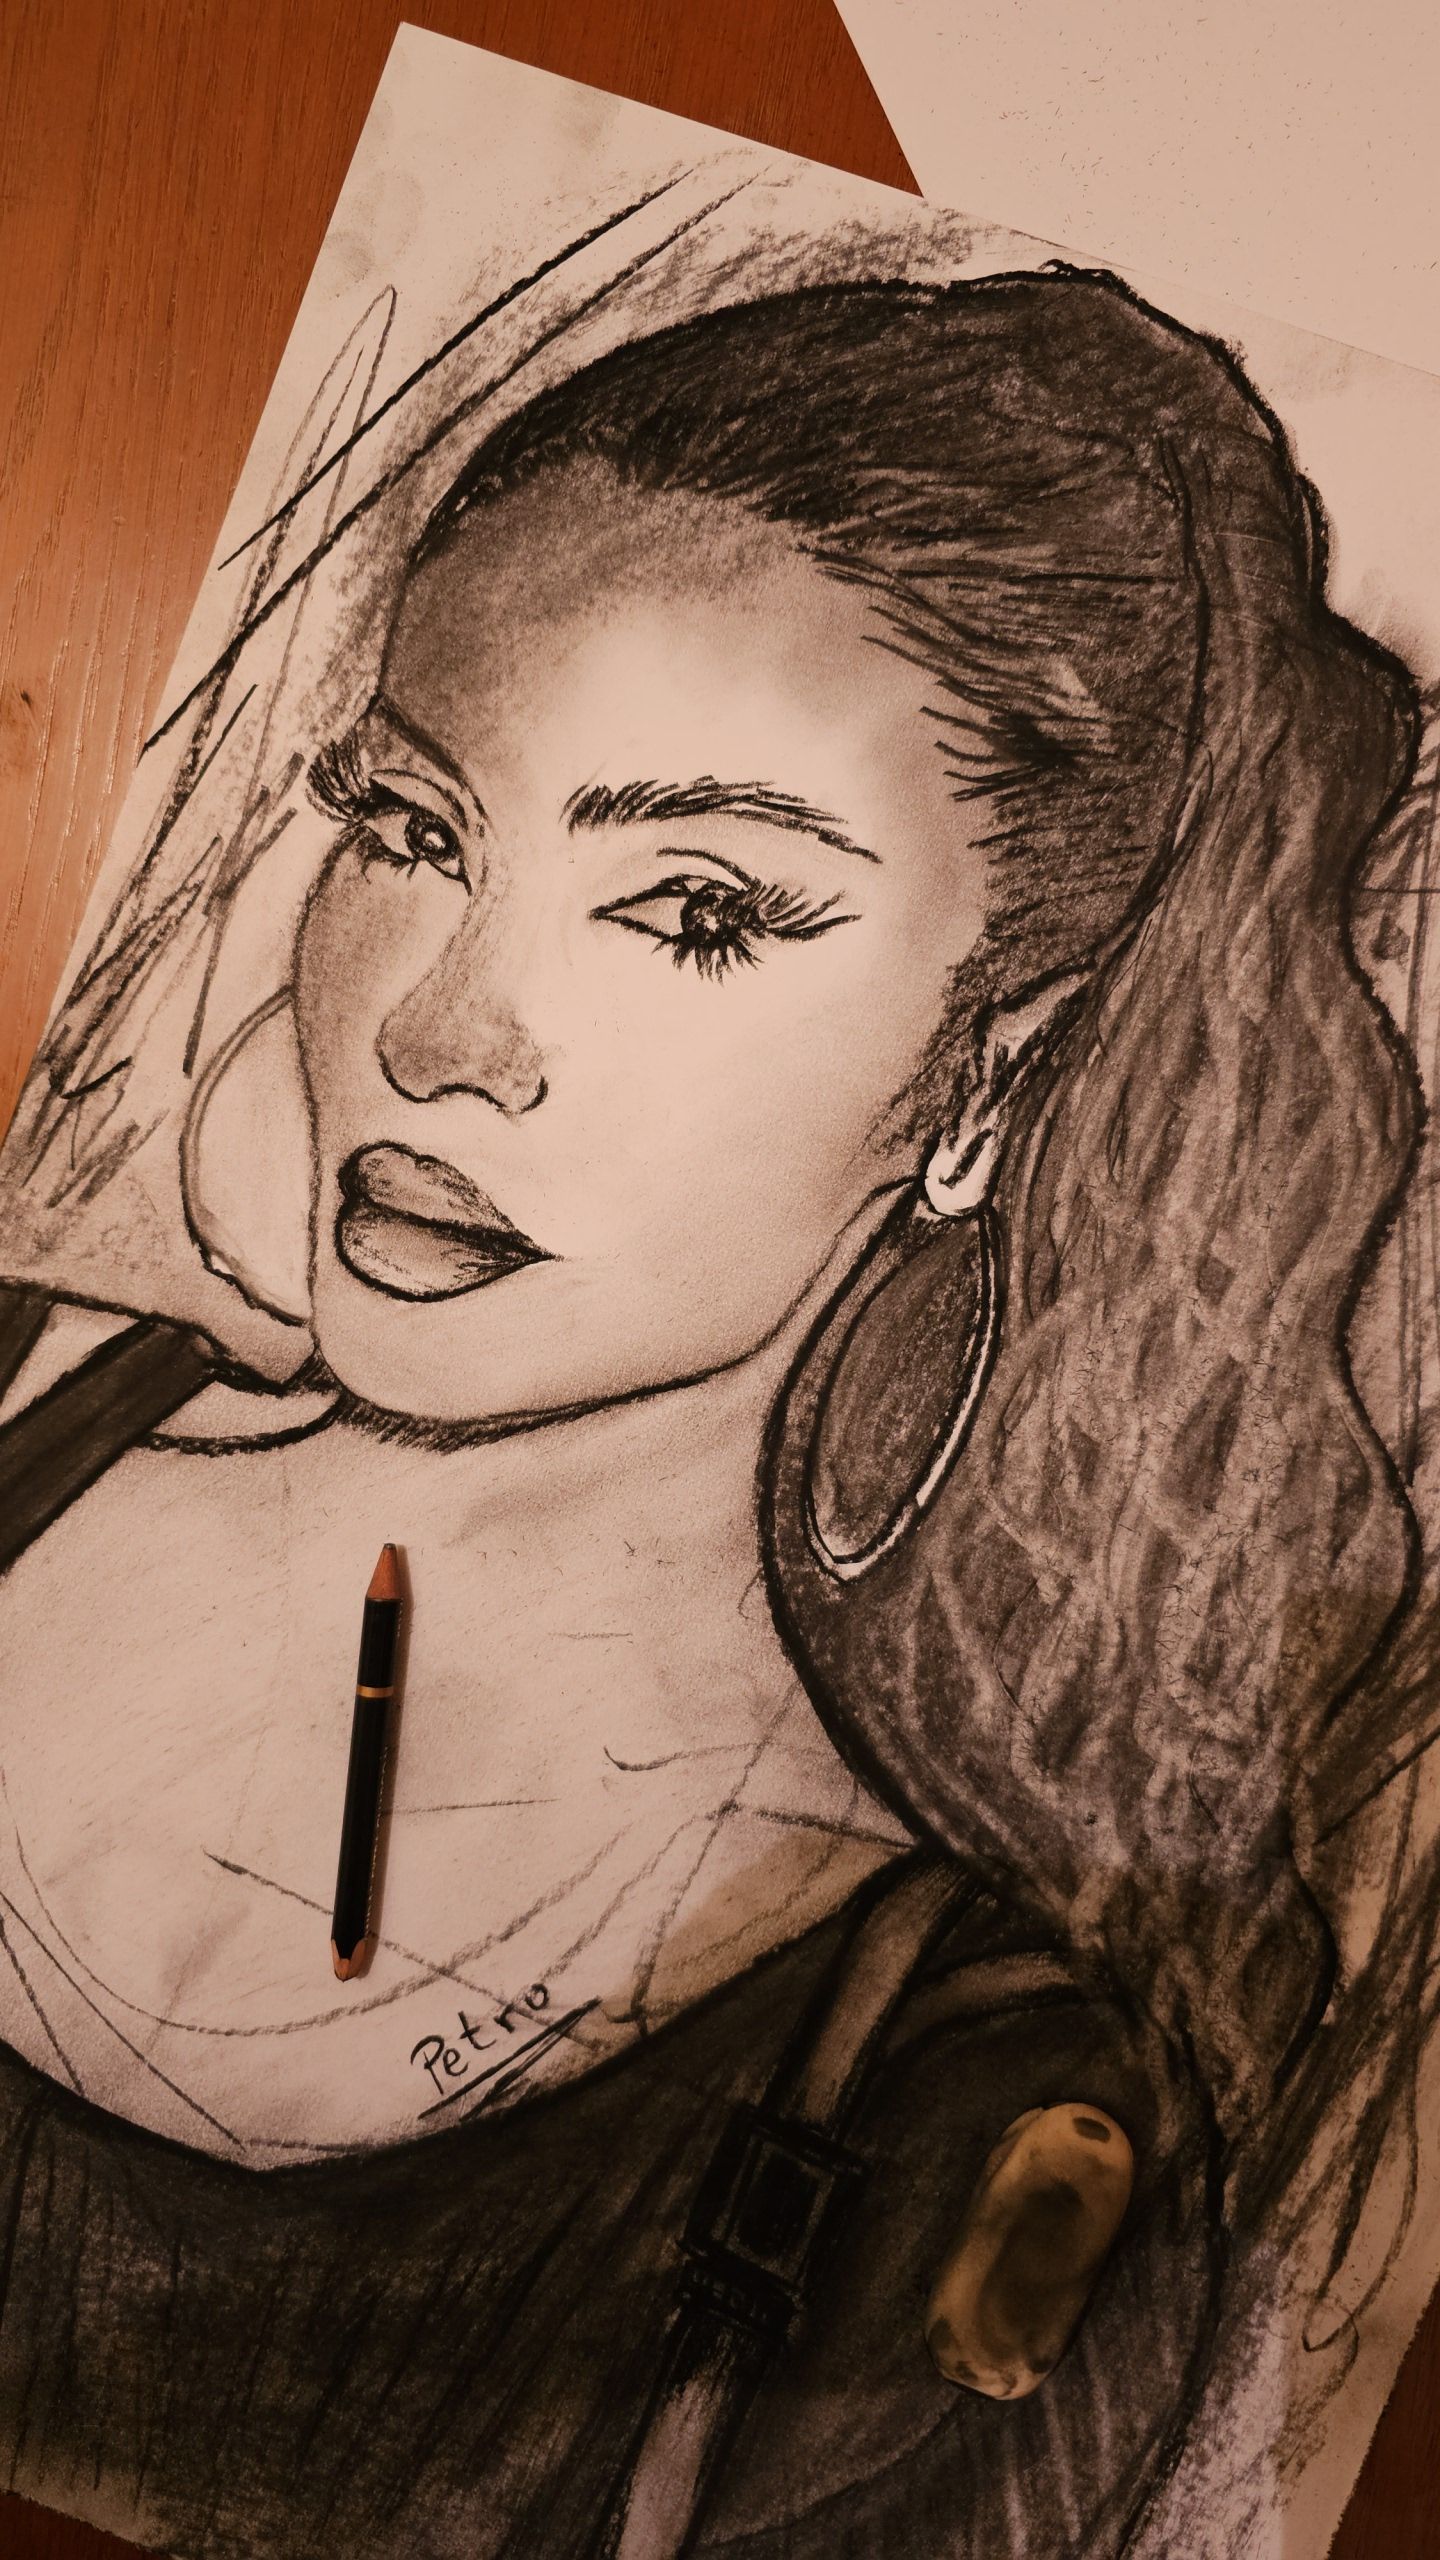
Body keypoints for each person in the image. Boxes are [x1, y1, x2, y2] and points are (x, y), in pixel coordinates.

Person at [0, 265, 1425, 2555]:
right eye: (417, 827)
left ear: (992, 1080)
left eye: (696, 910)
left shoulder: (975, 2102)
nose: (443, 1032)